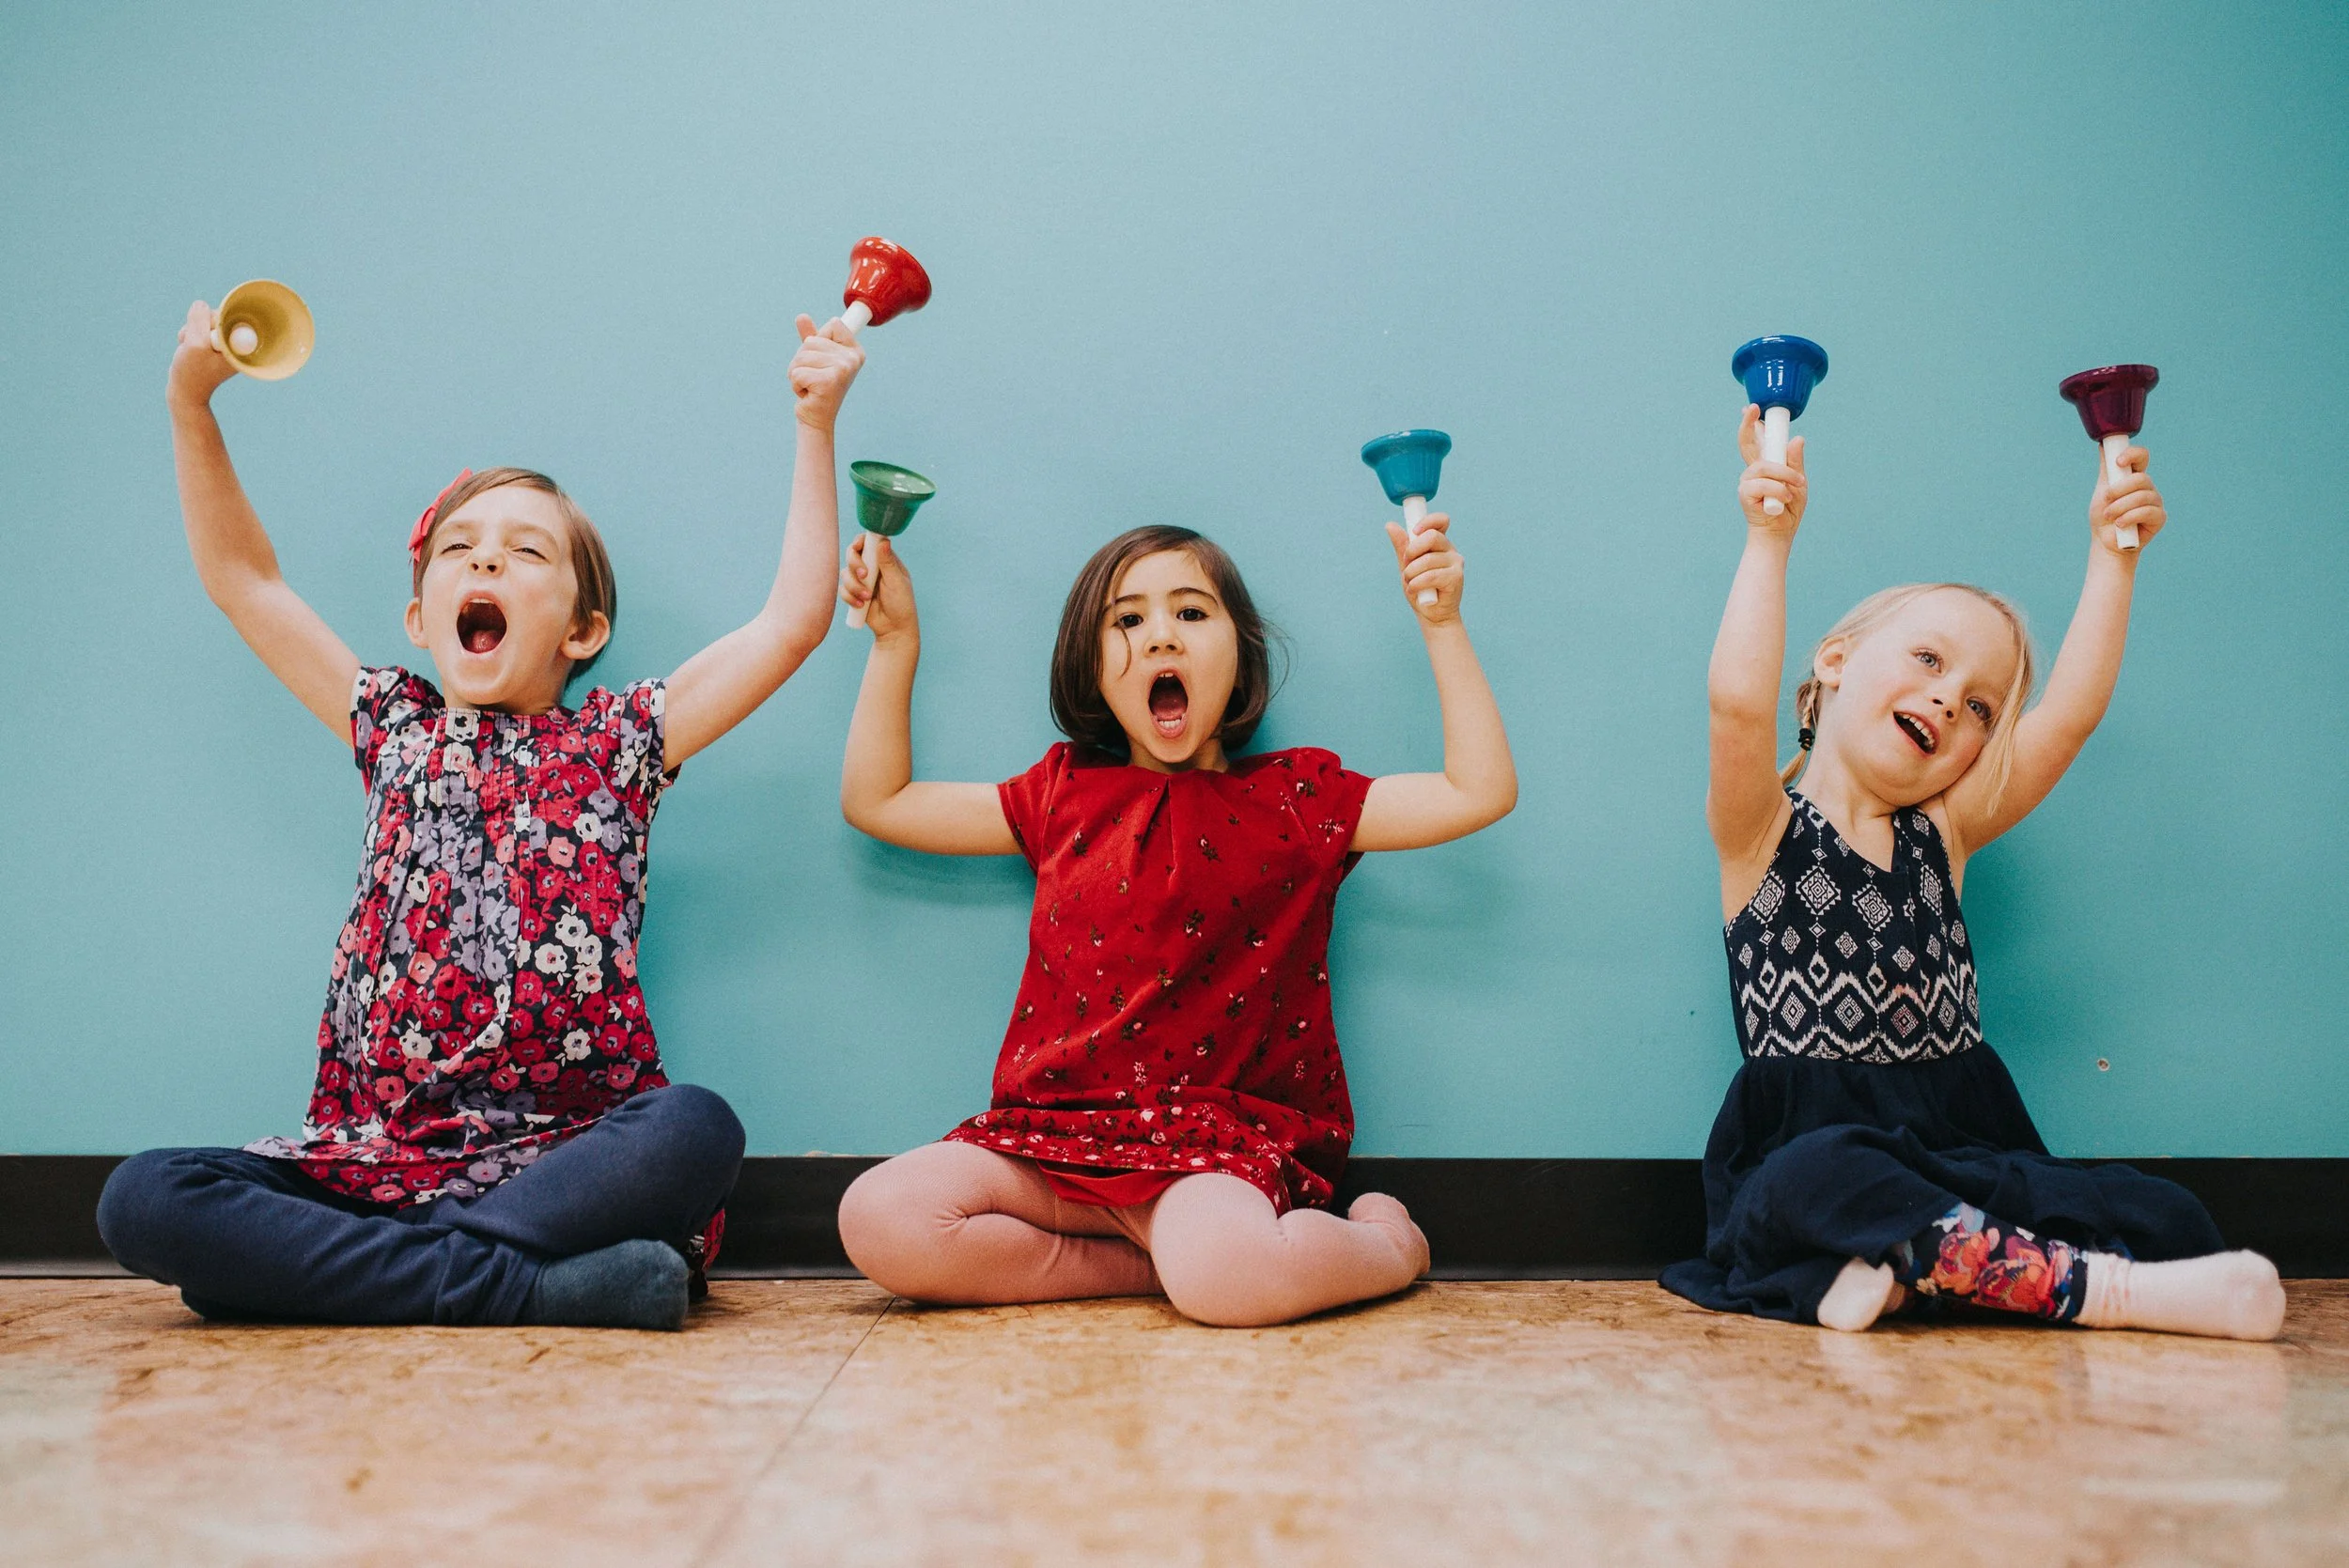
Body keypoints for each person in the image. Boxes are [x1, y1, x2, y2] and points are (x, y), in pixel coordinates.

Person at [96, 299, 865, 1329]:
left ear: (584, 628)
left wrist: (814, 427)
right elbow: (246, 579)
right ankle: (528, 1286)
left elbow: (792, 622)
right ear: (422, 619)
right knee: (145, 1197)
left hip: (568, 1160)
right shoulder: (389, 726)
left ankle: (382, 1274)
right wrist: (191, 404)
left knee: (698, 1129)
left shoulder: (618, 742)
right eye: (458, 549)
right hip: (374, 1158)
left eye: (526, 553)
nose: (487, 563)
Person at [1660, 403, 2285, 1339]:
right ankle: (2099, 1293)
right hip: (1813, 1150)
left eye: (1981, 705)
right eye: (1926, 659)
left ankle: (1882, 1273)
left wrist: (2113, 557)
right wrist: (1767, 539)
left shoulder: (1940, 837)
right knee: (1811, 1184)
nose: (1949, 697)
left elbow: (2067, 715)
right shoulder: (1760, 833)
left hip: (1963, 1151)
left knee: (2167, 1211)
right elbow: (1735, 707)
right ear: (1832, 661)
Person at [832, 510, 1516, 1326]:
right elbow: (878, 799)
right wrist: (894, 643)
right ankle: (1150, 1268)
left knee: (1231, 1278)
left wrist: (1441, 623)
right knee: (878, 1216)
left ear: (1241, 651)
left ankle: (1387, 1245)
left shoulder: (1298, 800)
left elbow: (1478, 790)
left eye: (1191, 612)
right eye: (1129, 619)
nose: (1162, 637)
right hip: (1050, 1141)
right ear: (1091, 665)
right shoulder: (1060, 796)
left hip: (1211, 1154)